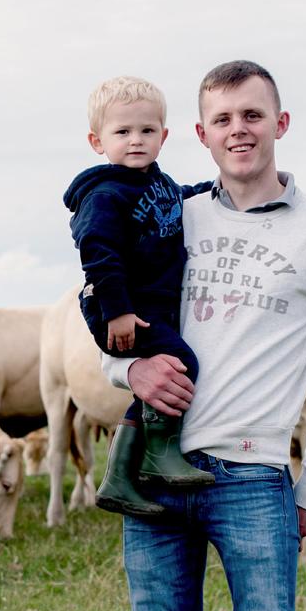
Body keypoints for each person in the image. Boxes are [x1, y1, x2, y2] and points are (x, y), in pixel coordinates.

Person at [101, 61, 306, 611]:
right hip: (155, 468)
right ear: (201, 135)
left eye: (253, 114)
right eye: (222, 119)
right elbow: (110, 309)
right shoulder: (170, 215)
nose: (239, 129)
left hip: (252, 476)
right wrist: (129, 371)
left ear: (281, 122)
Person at [63, 76, 215, 518]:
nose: (136, 141)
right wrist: (119, 311)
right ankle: (159, 454)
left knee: (157, 379)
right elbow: (99, 253)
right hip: (122, 305)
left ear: (163, 136)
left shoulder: (155, 182)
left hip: (142, 303)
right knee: (182, 364)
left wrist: (213, 191)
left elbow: (175, 202)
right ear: (97, 141)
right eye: (122, 132)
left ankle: (118, 480)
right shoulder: (105, 195)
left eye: (147, 131)